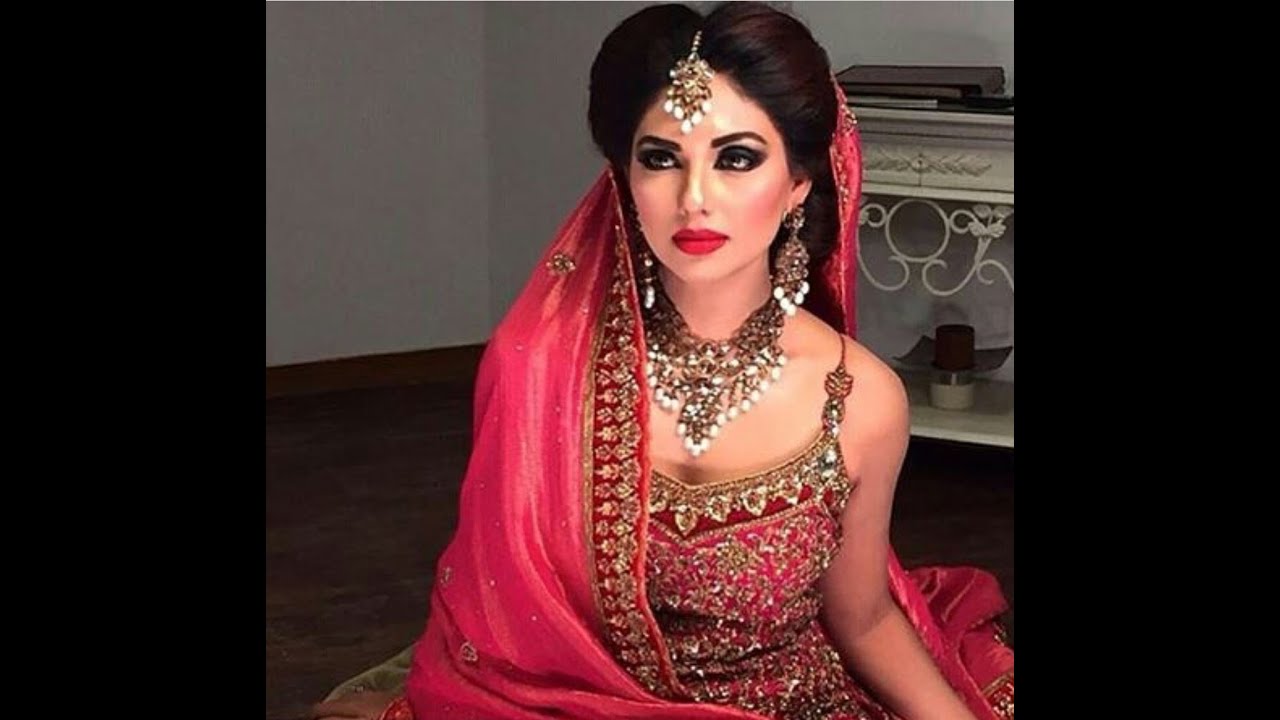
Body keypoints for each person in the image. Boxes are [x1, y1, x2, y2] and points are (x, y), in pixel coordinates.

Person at [311, 4, 1013, 719]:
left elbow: (862, 618)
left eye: (736, 158)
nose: (694, 199)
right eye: (661, 158)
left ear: (799, 183)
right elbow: (502, 621)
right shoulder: (546, 372)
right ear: (624, 178)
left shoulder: (861, 398)